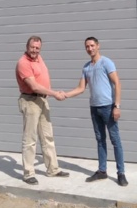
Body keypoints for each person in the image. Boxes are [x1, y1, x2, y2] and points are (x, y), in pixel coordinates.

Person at [64, 37, 127, 186]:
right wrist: (65, 95)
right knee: (100, 140)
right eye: (87, 46)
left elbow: (117, 83)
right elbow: (81, 88)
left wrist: (117, 106)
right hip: (94, 108)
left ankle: (121, 173)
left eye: (92, 45)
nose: (90, 48)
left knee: (115, 140)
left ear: (98, 46)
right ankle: (102, 171)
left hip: (108, 107)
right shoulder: (86, 67)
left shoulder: (106, 62)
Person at [15, 35, 70, 185]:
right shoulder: (23, 63)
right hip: (30, 101)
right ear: (27, 47)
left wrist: (48, 94)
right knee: (30, 139)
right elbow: (34, 86)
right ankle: (28, 173)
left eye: (37, 48)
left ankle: (53, 169)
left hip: (42, 100)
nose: (35, 50)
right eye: (32, 47)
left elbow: (43, 80)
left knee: (47, 136)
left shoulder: (39, 58)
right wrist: (55, 94)